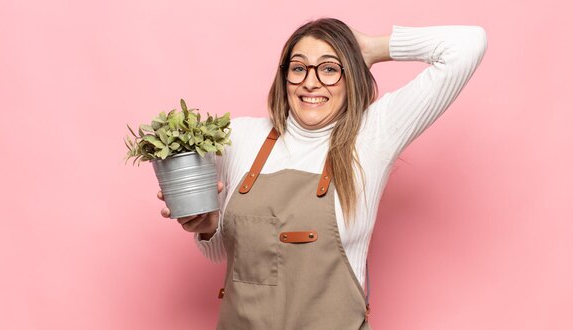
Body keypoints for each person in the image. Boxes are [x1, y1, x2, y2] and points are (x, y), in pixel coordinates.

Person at [158, 18, 487, 329]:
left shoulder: (374, 135)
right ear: (284, 76)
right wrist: (208, 227)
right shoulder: (240, 137)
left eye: (330, 69)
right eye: (299, 68)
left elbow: (468, 44)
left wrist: (373, 47)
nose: (310, 82)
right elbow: (225, 257)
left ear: (351, 76)